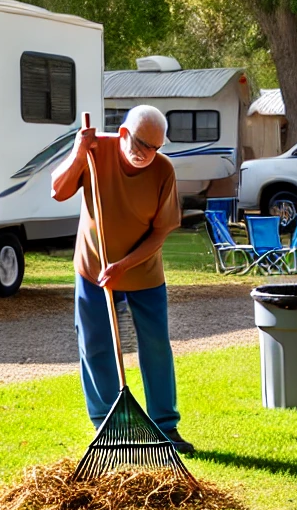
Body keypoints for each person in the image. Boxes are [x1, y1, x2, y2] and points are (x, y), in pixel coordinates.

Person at [49, 105, 192, 454]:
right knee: (95, 344)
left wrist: (124, 265)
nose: (147, 154)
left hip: (142, 272)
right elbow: (58, 190)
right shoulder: (97, 152)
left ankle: (165, 427)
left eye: (156, 147)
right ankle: (108, 427)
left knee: (156, 346)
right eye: (142, 144)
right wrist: (78, 152)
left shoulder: (163, 170)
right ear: (124, 133)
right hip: (93, 269)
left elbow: (159, 234)